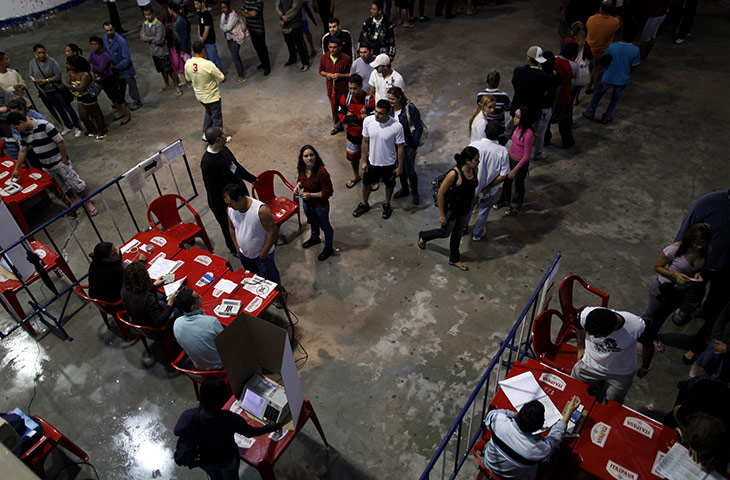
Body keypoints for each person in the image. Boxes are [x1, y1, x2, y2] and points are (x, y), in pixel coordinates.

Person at [636, 223, 711, 377]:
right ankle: (641, 339)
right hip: (663, 289)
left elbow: (701, 267)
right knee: (649, 315)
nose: (698, 247)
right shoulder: (675, 250)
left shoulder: (705, 251)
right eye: (696, 243)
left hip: (680, 293)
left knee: (660, 318)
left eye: (701, 244)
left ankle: (650, 336)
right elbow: (657, 267)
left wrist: (698, 274)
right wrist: (674, 275)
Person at [174, 376, 282, 479]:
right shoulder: (230, 418)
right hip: (227, 459)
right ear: (223, 399)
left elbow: (178, 431)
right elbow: (250, 432)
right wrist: (270, 427)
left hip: (203, 460)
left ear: (201, 397)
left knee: (214, 475)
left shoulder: (189, 415)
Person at [673, 190, 730, 365]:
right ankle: (689, 307)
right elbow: (687, 228)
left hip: (727, 270)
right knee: (693, 289)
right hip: (701, 263)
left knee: (716, 305)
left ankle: (700, 334)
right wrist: (680, 256)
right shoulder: (710, 203)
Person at [8, 112, 97, 215]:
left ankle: (87, 202)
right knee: (62, 186)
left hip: (59, 162)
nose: (17, 130)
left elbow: (60, 141)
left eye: (16, 128)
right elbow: (23, 151)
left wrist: (64, 160)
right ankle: (74, 201)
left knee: (75, 184)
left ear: (21, 122)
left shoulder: (44, 125)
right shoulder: (24, 134)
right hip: (46, 166)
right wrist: (16, 168)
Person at [483, 396, 581, 480]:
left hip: (488, 466)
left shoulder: (498, 421)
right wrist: (568, 413)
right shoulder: (539, 450)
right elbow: (555, 439)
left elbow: (492, 414)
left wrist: (515, 415)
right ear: (540, 426)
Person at [418, 146, 479, 271]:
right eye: (476, 160)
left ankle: (454, 259)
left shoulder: (474, 171)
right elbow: (441, 193)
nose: (478, 162)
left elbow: (472, 190)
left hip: (465, 210)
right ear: (467, 161)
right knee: (445, 233)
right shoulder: (454, 174)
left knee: (457, 234)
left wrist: (471, 206)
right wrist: (442, 215)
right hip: (452, 211)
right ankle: (424, 236)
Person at [572, 306, 645, 404]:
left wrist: (645, 367)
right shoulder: (586, 315)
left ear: (613, 329)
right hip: (590, 365)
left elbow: (648, 346)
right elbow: (578, 324)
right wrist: (581, 347)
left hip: (621, 373)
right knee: (572, 388)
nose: (595, 337)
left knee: (613, 403)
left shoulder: (636, 326)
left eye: (599, 335)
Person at [201, 126, 256, 254]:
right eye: (224, 135)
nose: (226, 137)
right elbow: (212, 189)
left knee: (244, 219)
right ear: (218, 139)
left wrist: (252, 179)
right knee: (229, 226)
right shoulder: (208, 163)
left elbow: (236, 166)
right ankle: (234, 249)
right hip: (224, 202)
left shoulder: (224, 149)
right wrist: (227, 205)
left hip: (237, 194)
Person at [224, 184, 284, 292]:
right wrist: (238, 248)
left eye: (231, 203)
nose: (229, 206)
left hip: (262, 256)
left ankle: (279, 294)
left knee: (271, 279)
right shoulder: (230, 210)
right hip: (244, 255)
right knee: (254, 278)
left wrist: (264, 252)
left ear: (239, 199)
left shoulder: (260, 210)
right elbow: (232, 229)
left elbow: (273, 231)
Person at [352, 99, 405, 220]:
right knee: (366, 184)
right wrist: (364, 160)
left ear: (388, 114)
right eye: (376, 111)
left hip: (389, 163)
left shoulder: (396, 126)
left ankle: (387, 204)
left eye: (380, 113)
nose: (376, 115)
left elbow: (400, 147)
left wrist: (400, 166)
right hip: (372, 162)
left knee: (389, 185)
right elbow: (365, 142)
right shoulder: (368, 121)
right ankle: (364, 204)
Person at [583, 25, 640, 124]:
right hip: (622, 78)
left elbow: (605, 60)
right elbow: (634, 65)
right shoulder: (635, 50)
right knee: (614, 100)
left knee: (597, 95)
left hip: (608, 75)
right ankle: (607, 117)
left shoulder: (613, 46)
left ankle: (590, 112)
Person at [28, 44, 82, 137]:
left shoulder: (52, 62)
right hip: (47, 92)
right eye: (39, 53)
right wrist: (36, 81)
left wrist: (46, 80)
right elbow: (32, 75)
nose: (41, 55)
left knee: (67, 107)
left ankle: (77, 126)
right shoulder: (32, 63)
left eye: (43, 53)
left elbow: (57, 76)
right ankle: (68, 125)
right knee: (59, 109)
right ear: (35, 53)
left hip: (57, 89)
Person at [469, 121, 509, 242]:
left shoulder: (474, 145)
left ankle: (463, 229)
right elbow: (503, 175)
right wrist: (488, 187)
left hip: (472, 188)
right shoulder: (502, 151)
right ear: (499, 135)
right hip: (487, 190)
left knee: (468, 209)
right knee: (483, 210)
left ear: (485, 131)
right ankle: (477, 233)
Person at [293, 145, 335, 261]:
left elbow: (328, 192)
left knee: (325, 226)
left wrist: (311, 195)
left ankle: (328, 247)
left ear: (315, 156)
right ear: (302, 158)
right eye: (306, 156)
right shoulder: (302, 168)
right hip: (307, 203)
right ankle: (315, 237)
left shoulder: (322, 173)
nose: (309, 158)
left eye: (311, 155)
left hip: (320, 205)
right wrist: (298, 185)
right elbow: (301, 179)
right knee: (312, 221)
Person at [494, 108, 534, 217]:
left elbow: (526, 156)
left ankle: (515, 206)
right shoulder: (517, 128)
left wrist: (516, 169)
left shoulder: (528, 134)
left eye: (517, 117)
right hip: (510, 159)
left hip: (519, 164)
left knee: (517, 185)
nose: (514, 119)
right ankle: (504, 200)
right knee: (506, 181)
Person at [337, 73, 374, 189]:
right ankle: (356, 175)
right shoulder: (345, 98)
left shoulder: (369, 100)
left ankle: (371, 178)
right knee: (353, 158)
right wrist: (359, 117)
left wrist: (351, 117)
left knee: (369, 158)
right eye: (350, 88)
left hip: (366, 137)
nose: (352, 91)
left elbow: (371, 120)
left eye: (355, 88)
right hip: (352, 135)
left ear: (361, 86)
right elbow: (341, 118)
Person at [173, 289, 224, 370]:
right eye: (198, 297)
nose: (200, 296)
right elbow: (226, 344)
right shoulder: (211, 322)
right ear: (193, 307)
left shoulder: (177, 323)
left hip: (199, 365)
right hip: (220, 365)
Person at [120, 261, 179, 330]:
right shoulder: (148, 300)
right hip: (155, 328)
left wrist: (154, 285)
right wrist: (170, 304)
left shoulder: (124, 290)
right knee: (178, 309)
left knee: (163, 301)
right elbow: (160, 322)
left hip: (140, 320)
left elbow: (139, 295)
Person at [185, 41, 226, 140]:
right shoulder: (208, 64)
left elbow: (188, 79)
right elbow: (222, 78)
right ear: (203, 50)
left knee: (208, 112)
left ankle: (205, 133)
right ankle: (218, 137)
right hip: (212, 96)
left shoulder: (188, 63)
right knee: (217, 118)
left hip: (200, 96)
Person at [388, 86, 422, 205]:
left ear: (400, 97)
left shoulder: (409, 108)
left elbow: (418, 127)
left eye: (392, 99)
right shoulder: (390, 110)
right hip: (395, 146)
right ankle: (405, 189)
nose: (390, 101)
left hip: (408, 145)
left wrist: (414, 146)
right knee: (400, 169)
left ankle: (415, 193)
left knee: (410, 171)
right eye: (389, 99)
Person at [141, 6, 183, 96]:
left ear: (152, 14)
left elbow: (159, 40)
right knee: (161, 70)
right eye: (145, 15)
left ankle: (177, 86)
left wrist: (148, 37)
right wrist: (152, 37)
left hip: (162, 51)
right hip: (154, 52)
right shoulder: (144, 24)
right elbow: (142, 37)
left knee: (170, 70)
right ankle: (167, 85)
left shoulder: (159, 25)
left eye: (149, 14)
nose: (147, 16)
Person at [88, 36, 130, 125]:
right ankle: (120, 112)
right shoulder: (93, 54)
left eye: (96, 44)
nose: (94, 46)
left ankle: (126, 115)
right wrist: (95, 67)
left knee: (119, 98)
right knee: (111, 97)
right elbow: (90, 64)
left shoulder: (105, 55)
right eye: (92, 44)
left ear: (100, 45)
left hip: (110, 79)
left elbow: (100, 68)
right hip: (101, 80)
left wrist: (94, 67)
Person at [103, 22, 143, 111]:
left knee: (131, 86)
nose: (109, 32)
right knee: (120, 87)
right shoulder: (105, 38)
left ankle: (137, 101)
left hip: (125, 69)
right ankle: (121, 101)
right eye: (107, 31)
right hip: (114, 69)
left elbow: (126, 59)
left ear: (114, 29)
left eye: (111, 30)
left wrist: (116, 67)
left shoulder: (121, 42)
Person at [65, 55, 106, 140]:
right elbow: (67, 85)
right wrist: (75, 87)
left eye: (68, 64)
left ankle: (101, 131)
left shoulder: (85, 75)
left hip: (88, 97)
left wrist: (73, 87)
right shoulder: (70, 73)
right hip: (80, 97)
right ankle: (93, 130)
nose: (66, 65)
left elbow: (81, 88)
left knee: (95, 115)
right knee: (83, 117)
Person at [585, 0, 621, 93]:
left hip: (589, 50)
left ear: (600, 8)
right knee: (598, 72)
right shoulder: (615, 22)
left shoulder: (591, 19)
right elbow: (618, 30)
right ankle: (593, 87)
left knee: (590, 70)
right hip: (602, 52)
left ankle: (588, 87)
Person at [319, 38, 352, 135]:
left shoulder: (347, 59)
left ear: (339, 48)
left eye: (334, 47)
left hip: (344, 89)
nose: (332, 50)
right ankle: (337, 126)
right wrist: (327, 74)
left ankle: (348, 127)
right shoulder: (324, 57)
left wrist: (340, 75)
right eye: (330, 47)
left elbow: (351, 74)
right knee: (334, 108)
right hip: (331, 89)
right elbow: (321, 71)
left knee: (346, 108)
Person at [510, 46, 548, 124]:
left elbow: (514, 86)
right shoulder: (543, 76)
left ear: (529, 58)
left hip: (517, 111)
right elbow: (544, 93)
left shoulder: (518, 71)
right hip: (533, 113)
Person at [694, 300, 730, 381]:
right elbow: (723, 318)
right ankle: (702, 379)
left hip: (727, 352)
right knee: (708, 363)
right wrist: (717, 337)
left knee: (722, 374)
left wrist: (727, 348)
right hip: (719, 341)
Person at [533, 51, 559, 159]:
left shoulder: (538, 75)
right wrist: (553, 108)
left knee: (533, 130)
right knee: (541, 132)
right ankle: (538, 152)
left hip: (535, 106)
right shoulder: (555, 76)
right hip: (546, 108)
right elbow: (556, 95)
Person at [554, 42, 579, 149]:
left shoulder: (554, 59)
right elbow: (575, 79)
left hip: (551, 96)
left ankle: (545, 139)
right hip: (564, 97)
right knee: (565, 123)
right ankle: (567, 142)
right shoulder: (574, 66)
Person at [275, 0, 310, 72]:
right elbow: (277, 6)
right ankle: (292, 58)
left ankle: (305, 62)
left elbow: (295, 8)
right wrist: (282, 16)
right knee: (289, 42)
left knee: (299, 43)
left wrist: (285, 19)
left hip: (295, 23)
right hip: (285, 25)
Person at [88, 242, 125, 307]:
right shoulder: (113, 272)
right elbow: (130, 280)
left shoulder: (96, 261)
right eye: (114, 254)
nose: (118, 253)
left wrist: (118, 257)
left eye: (116, 250)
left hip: (96, 294)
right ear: (105, 259)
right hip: (113, 302)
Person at [220, 0, 247, 84]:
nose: (223, 9)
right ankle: (240, 71)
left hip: (236, 38)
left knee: (235, 56)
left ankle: (241, 76)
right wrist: (224, 27)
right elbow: (221, 25)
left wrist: (224, 27)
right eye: (222, 8)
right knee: (235, 56)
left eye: (224, 7)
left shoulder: (233, 16)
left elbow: (227, 28)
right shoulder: (224, 15)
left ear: (228, 7)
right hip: (229, 38)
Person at [242, 0, 271, 76]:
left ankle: (267, 66)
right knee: (257, 47)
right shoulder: (247, 1)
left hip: (259, 29)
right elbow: (242, 11)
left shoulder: (259, 1)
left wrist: (246, 13)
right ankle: (263, 63)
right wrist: (249, 13)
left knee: (262, 48)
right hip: (251, 28)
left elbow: (254, 14)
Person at [193, 0, 223, 71]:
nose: (195, 6)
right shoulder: (200, 14)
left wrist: (202, 39)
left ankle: (219, 75)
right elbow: (199, 25)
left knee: (214, 59)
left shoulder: (207, 15)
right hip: (204, 42)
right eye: (195, 4)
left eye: (197, 4)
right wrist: (199, 35)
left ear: (202, 3)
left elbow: (207, 29)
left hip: (209, 41)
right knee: (209, 60)